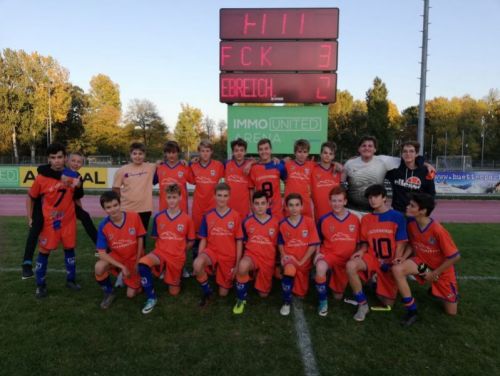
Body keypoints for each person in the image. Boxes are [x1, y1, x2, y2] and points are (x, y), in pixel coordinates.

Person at [21, 152, 97, 279]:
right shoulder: (53, 171)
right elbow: (41, 168)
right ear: (67, 160)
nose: (76, 164)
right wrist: (29, 217)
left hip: (68, 205)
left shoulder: (77, 176)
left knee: (85, 216)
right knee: (35, 228)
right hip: (45, 205)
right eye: (73, 161)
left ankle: (99, 245)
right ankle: (26, 264)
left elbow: (76, 196)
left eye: (79, 162)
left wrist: (80, 211)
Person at [392, 193, 461, 326]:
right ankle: (412, 310)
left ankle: (438, 290)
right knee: (397, 269)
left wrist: (434, 274)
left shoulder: (438, 230)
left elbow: (455, 257)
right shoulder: (412, 224)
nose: (407, 207)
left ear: (422, 211)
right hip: (422, 265)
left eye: (412, 206)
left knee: (451, 312)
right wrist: (403, 257)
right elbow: (412, 245)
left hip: (441, 271)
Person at [345, 184, 408, 321]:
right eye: (370, 198)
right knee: (351, 265)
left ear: (384, 197)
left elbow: (401, 243)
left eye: (376, 197)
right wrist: (361, 251)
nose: (372, 200)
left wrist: (394, 261)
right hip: (372, 258)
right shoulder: (367, 219)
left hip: (389, 261)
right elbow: (365, 242)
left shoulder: (397, 216)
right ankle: (362, 304)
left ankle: (373, 282)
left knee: (387, 303)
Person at [27, 143, 80, 298]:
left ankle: (71, 280)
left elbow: (78, 193)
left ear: (65, 158)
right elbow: (30, 198)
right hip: (49, 222)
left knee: (70, 250)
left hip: (68, 221)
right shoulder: (41, 178)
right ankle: (40, 284)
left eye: (59, 157)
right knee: (44, 251)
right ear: (48, 159)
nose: (56, 161)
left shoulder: (73, 175)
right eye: (53, 158)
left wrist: (78, 183)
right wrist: (30, 217)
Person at [137, 184, 195, 314]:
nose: (172, 200)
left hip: (176, 257)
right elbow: (156, 238)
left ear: (180, 197)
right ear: (165, 198)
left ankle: (172, 271)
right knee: (143, 264)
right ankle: (151, 298)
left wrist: (181, 251)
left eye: (174, 197)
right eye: (169, 197)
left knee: (174, 292)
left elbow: (191, 241)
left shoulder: (187, 219)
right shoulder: (159, 217)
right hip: (160, 253)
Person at [343, 136, 431, 212]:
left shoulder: (384, 161)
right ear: (359, 149)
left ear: (375, 149)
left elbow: (408, 159)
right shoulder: (350, 163)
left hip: (374, 211)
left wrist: (425, 164)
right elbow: (341, 183)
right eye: (364, 146)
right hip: (352, 210)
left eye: (370, 146)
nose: (367, 148)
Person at [192, 183, 243, 306]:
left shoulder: (235, 216)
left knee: (223, 293)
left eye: (225, 196)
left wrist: (237, 264)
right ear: (214, 196)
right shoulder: (208, 216)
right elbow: (203, 239)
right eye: (219, 195)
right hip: (212, 252)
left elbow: (239, 241)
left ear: (229, 197)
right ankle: (207, 290)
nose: (222, 198)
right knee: (197, 264)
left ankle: (224, 275)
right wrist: (200, 258)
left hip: (228, 256)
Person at [94, 191, 146, 309]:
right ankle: (109, 292)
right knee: (99, 267)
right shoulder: (103, 225)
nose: (113, 210)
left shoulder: (134, 216)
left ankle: (131, 278)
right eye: (108, 207)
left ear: (120, 204)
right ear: (104, 209)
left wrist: (138, 261)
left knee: (131, 294)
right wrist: (122, 266)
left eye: (115, 205)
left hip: (134, 257)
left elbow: (140, 240)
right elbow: (101, 253)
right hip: (118, 256)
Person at [315, 186, 360, 316]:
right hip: (330, 255)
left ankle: (333, 282)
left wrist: (357, 256)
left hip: (347, 258)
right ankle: (323, 302)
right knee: (320, 267)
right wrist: (318, 253)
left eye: (340, 201)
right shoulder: (323, 219)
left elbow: (358, 242)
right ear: (329, 202)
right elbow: (318, 239)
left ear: (345, 202)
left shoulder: (355, 220)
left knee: (338, 296)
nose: (337, 204)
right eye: (334, 201)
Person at [232, 190, 279, 314]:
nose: (260, 206)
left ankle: (253, 276)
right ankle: (241, 298)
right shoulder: (247, 222)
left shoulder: (276, 222)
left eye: (263, 203)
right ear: (252, 205)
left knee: (263, 294)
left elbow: (279, 245)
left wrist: (278, 263)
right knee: (243, 266)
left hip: (268, 259)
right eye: (257, 203)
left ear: (268, 204)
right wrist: (238, 261)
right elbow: (242, 242)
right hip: (251, 256)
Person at [278, 193, 320, 316]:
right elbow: (280, 242)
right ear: (286, 207)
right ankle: (286, 302)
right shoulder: (283, 224)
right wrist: (283, 255)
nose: (294, 208)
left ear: (302, 206)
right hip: (290, 259)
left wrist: (302, 261)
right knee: (290, 270)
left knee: (301, 293)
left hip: (303, 261)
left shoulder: (309, 222)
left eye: (297, 205)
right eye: (290, 205)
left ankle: (295, 279)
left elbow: (313, 244)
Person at [112, 142, 156, 236]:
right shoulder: (122, 170)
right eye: (135, 153)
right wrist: (119, 203)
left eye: (140, 154)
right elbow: (116, 188)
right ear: (130, 155)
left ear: (144, 155)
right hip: (127, 208)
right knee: (128, 235)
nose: (138, 156)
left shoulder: (151, 167)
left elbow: (166, 163)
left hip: (145, 208)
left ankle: (141, 251)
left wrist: (184, 162)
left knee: (141, 235)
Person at [189, 140, 225, 246]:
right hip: (198, 206)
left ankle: (211, 258)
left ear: (211, 152)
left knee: (212, 234)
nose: (205, 153)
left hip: (213, 206)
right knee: (198, 235)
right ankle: (197, 256)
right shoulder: (193, 166)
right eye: (203, 151)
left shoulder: (218, 166)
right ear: (199, 152)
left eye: (207, 151)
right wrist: (190, 162)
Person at [385, 141, 436, 213]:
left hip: (416, 213)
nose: (408, 154)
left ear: (416, 154)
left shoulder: (426, 172)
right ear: (401, 154)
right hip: (398, 212)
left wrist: (425, 211)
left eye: (411, 151)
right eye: (405, 151)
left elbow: (431, 194)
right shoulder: (395, 170)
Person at [249, 138, 287, 221]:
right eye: (261, 149)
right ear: (258, 151)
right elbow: (251, 189)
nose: (264, 152)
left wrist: (285, 202)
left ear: (270, 150)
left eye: (266, 148)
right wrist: (252, 206)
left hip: (276, 209)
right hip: (261, 209)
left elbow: (287, 183)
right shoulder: (254, 168)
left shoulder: (278, 165)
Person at [155, 141, 190, 214]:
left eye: (174, 152)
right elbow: (152, 181)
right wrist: (155, 167)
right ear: (165, 153)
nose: (171, 155)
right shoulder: (160, 167)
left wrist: (192, 163)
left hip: (181, 206)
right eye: (168, 152)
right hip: (164, 206)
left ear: (178, 153)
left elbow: (195, 180)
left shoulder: (184, 167)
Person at [283, 139, 315, 218]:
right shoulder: (287, 164)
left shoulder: (312, 166)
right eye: (299, 151)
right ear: (295, 152)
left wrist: (335, 163)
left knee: (306, 228)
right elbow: (273, 163)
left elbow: (325, 164)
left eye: (305, 152)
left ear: (308, 153)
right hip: (290, 205)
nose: (302, 154)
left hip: (305, 205)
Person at [311, 141, 343, 221]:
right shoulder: (312, 169)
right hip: (319, 214)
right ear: (320, 154)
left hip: (335, 214)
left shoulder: (338, 170)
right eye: (325, 153)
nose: (327, 155)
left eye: (330, 154)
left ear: (333, 156)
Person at [225, 138, 253, 220]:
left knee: (242, 232)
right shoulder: (226, 165)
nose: (239, 153)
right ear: (233, 152)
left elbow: (251, 190)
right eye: (236, 150)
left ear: (245, 152)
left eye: (241, 150)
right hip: (228, 207)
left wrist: (252, 162)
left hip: (244, 209)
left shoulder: (250, 167)